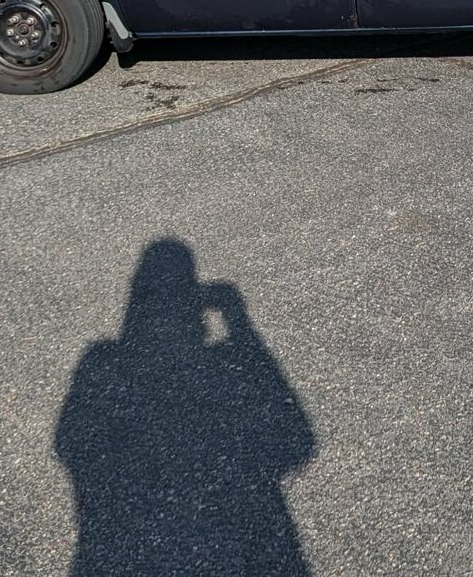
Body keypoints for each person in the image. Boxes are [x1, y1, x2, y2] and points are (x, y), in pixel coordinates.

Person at [56, 240, 315, 575]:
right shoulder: (104, 361)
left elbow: (71, 442)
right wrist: (237, 319)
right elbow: (296, 444)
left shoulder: (101, 360)